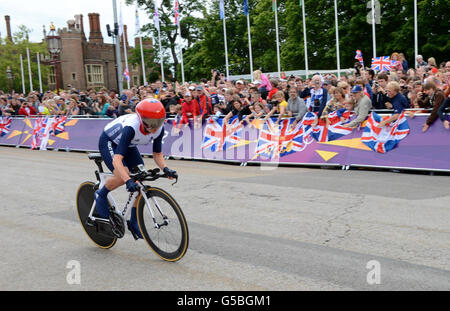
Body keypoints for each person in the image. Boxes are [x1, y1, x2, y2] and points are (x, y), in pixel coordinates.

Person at [95, 98, 177, 240]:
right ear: (141, 119)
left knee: (141, 177)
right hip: (109, 141)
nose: (155, 127)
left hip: (130, 145)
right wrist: (127, 180)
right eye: (152, 123)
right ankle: (101, 194)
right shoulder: (131, 127)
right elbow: (117, 159)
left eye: (158, 122)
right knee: (123, 175)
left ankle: (134, 221)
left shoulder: (159, 129)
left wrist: (165, 168)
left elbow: (157, 154)